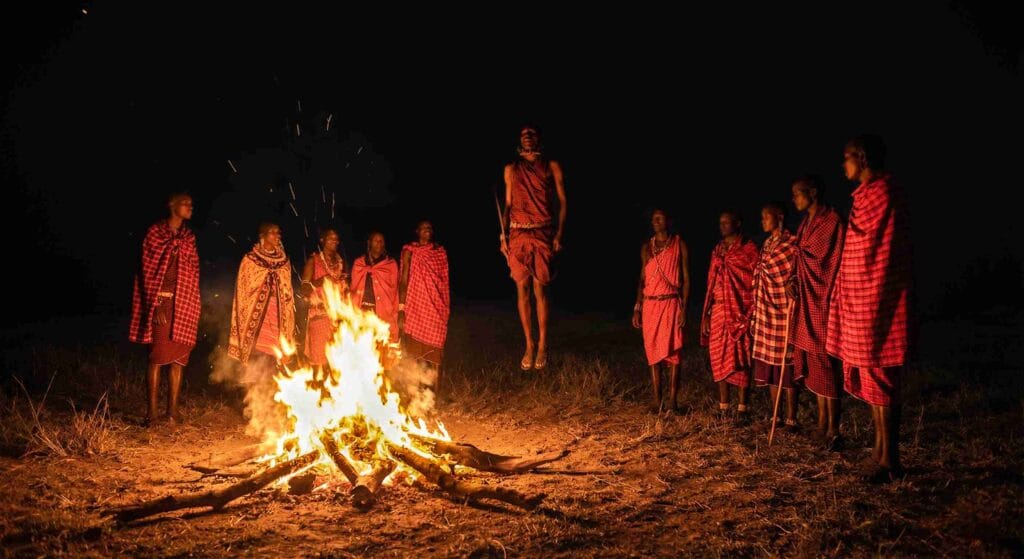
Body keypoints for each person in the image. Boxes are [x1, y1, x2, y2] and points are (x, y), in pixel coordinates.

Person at [827, 134, 913, 483]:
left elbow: (881, 250)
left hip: (879, 297)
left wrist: (864, 286)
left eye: (846, 157)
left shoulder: (885, 194)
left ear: (861, 158)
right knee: (871, 375)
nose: (842, 164)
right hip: (859, 298)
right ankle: (880, 453)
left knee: (883, 375)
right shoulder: (863, 197)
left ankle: (890, 459)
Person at [129, 192, 200, 426]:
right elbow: (147, 272)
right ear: (172, 205)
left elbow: (192, 274)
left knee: (179, 359)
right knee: (157, 357)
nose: (191, 207)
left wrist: (191, 304)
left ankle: (173, 411)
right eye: (186, 203)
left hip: (183, 306)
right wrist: (157, 302)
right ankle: (151, 413)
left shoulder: (188, 237)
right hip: (162, 304)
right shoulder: (155, 234)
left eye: (191, 204)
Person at [500, 124, 567, 370]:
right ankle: (529, 343)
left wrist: (559, 233)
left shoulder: (551, 166)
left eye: (532, 133)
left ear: (538, 138)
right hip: (517, 233)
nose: (527, 136)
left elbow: (562, 202)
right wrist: (503, 237)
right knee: (522, 290)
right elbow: (507, 205)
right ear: (519, 140)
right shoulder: (511, 169)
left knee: (540, 290)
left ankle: (543, 345)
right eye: (523, 134)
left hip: (542, 231)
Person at [788, 175, 845, 449]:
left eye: (798, 194)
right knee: (813, 360)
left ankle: (834, 429)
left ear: (811, 193)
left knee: (826, 360)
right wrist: (792, 280)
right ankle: (822, 424)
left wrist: (806, 272)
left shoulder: (831, 221)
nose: (794, 199)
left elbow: (828, 261)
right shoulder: (805, 224)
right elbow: (800, 258)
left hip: (823, 300)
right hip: (806, 300)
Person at [701, 211, 759, 424]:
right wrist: (707, 312)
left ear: (738, 223)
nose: (723, 226)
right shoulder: (718, 250)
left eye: (727, 222)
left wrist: (751, 310)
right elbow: (711, 284)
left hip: (740, 311)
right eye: (720, 222)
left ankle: (743, 408)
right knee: (718, 357)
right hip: (718, 310)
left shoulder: (749, 249)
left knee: (741, 357)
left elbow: (754, 281)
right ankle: (724, 407)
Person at [632, 209, 690, 413]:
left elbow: (686, 279)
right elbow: (642, 280)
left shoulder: (678, 244)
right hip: (650, 305)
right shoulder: (647, 248)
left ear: (669, 220)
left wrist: (684, 308)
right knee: (653, 353)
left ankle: (673, 402)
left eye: (659, 218)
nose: (655, 221)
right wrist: (637, 307)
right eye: (653, 219)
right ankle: (658, 401)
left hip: (671, 303)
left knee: (674, 352)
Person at [750, 202, 799, 430]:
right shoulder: (767, 244)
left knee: (785, 364)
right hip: (765, 311)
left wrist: (792, 282)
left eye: (765, 217)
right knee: (769, 364)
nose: (762, 221)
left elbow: (795, 273)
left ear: (778, 217)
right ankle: (775, 415)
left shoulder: (791, 243)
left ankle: (791, 417)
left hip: (783, 310)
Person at [228, 222, 296, 369]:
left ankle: (270, 384)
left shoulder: (284, 261)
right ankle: (252, 384)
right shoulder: (250, 259)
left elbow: (287, 290)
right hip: (257, 313)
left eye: (279, 232)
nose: (277, 235)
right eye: (272, 232)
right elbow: (244, 289)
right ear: (262, 236)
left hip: (278, 312)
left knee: (274, 349)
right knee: (257, 350)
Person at [399, 220, 451, 392]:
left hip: (436, 309)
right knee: (415, 357)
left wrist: (443, 306)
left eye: (429, 228)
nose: (427, 231)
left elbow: (444, 282)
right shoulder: (409, 251)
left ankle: (436, 395)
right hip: (416, 309)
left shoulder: (439, 252)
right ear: (417, 232)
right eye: (423, 229)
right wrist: (401, 307)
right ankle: (415, 395)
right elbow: (404, 279)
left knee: (436, 358)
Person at [300, 228, 346, 382]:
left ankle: (332, 393)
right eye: (330, 238)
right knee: (319, 359)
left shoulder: (340, 262)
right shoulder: (314, 260)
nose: (335, 241)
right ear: (322, 240)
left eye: (337, 239)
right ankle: (316, 390)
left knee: (336, 358)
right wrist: (318, 282)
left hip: (337, 316)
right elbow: (304, 289)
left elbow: (343, 286)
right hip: (319, 315)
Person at [351, 231, 400, 346]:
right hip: (361, 312)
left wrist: (396, 311)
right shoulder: (359, 263)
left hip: (383, 313)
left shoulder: (391, 265)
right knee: (361, 346)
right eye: (376, 240)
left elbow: (394, 291)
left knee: (380, 348)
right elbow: (353, 287)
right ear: (369, 243)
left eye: (381, 241)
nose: (379, 243)